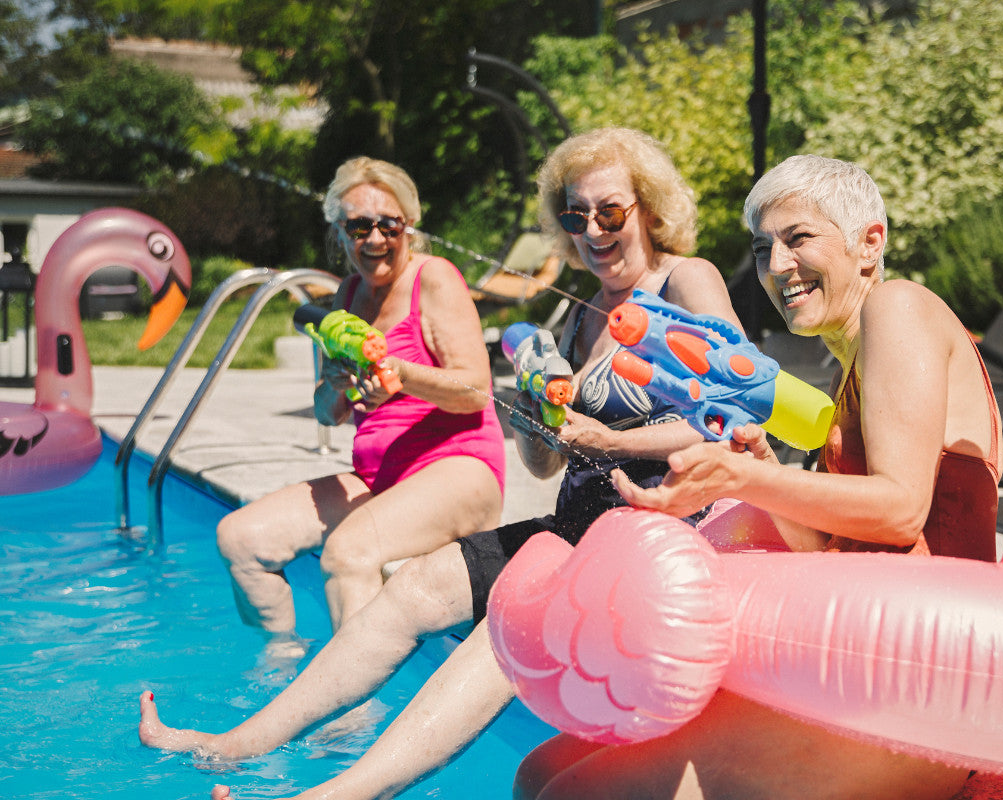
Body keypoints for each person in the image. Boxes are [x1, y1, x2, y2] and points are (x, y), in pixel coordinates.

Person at [137, 127, 742, 800]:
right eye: (575, 216)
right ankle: (238, 744)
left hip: (656, 534)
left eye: (610, 211)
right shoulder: (577, 317)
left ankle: (332, 795)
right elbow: (543, 466)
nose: (592, 230)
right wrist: (536, 415)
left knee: (504, 625)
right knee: (416, 588)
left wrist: (610, 443)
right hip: (578, 524)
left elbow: (741, 414)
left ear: (648, 208)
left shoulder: (685, 280)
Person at [517, 153, 1003, 799]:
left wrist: (739, 481)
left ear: (869, 242)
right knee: (540, 772)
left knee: (569, 792)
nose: (776, 267)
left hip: (925, 688)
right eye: (762, 247)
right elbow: (836, 546)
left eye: (798, 238)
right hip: (864, 661)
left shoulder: (899, 307)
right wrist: (758, 470)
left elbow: (901, 510)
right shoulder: (852, 366)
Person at [213, 156, 506, 638]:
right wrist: (333, 383)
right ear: (341, 232)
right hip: (380, 476)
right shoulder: (349, 294)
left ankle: (354, 711)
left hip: (459, 469)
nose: (374, 239)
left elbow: (476, 392)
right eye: (358, 226)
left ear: (408, 224)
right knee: (241, 539)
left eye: (388, 225)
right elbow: (328, 416)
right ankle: (280, 672)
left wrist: (401, 372)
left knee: (347, 554)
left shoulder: (434, 278)